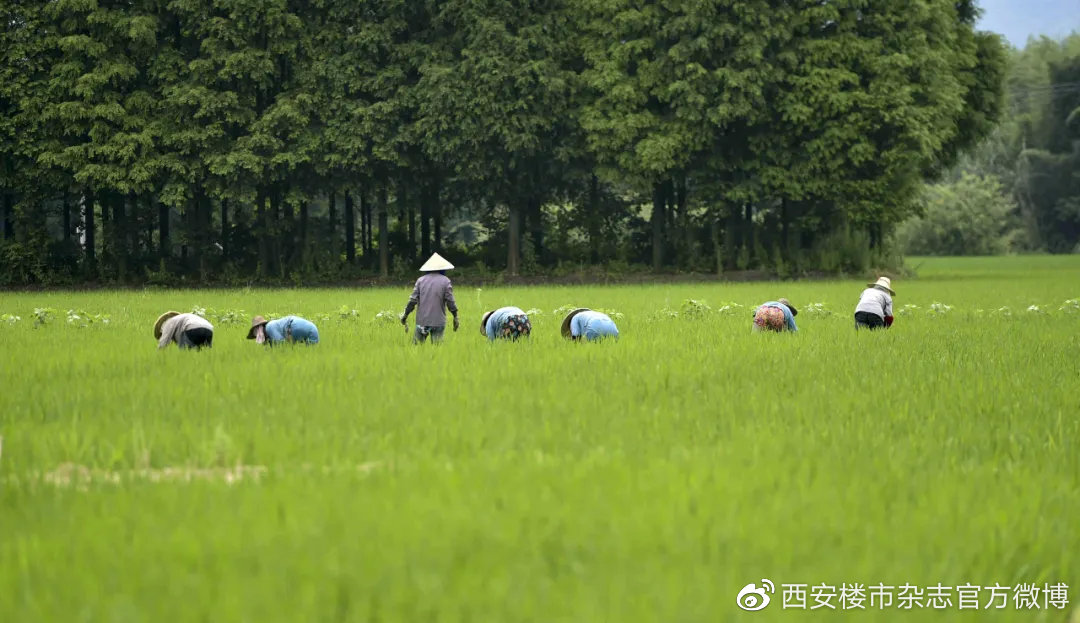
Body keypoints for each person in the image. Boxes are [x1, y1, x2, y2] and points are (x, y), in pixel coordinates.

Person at [401, 252, 459, 344]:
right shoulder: (446, 281)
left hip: (422, 321)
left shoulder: (420, 281)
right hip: (438, 322)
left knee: (416, 351)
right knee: (437, 350)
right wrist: (455, 317)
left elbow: (412, 301)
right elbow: (450, 301)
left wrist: (405, 315)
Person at [247, 315, 320, 345]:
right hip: (314, 329)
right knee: (308, 355)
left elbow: (281, 343)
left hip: (293, 326)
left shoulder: (269, 327)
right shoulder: (275, 324)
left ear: (260, 329)